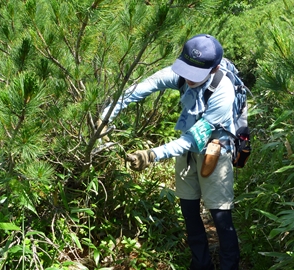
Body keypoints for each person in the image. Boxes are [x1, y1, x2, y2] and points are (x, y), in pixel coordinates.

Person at [99, 34, 240, 270]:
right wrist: (105, 117)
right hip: (185, 151)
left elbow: (193, 139)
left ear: (214, 68)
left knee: (220, 213)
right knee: (188, 208)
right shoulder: (183, 72)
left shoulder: (224, 91)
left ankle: (230, 266)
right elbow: (140, 89)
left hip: (216, 147)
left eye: (196, 74)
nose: (189, 78)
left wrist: (152, 154)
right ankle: (200, 264)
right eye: (186, 70)